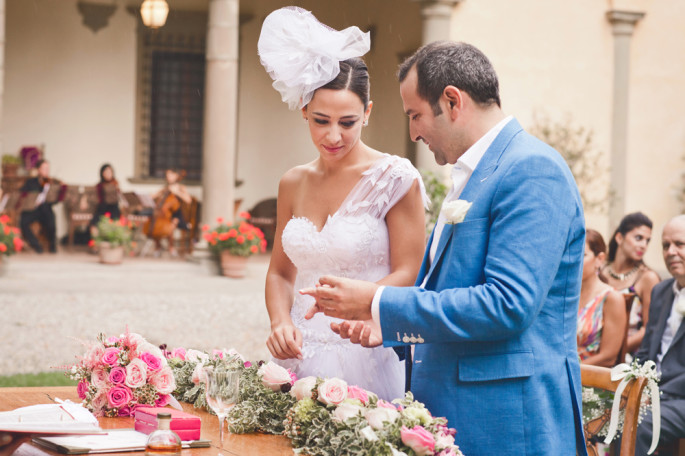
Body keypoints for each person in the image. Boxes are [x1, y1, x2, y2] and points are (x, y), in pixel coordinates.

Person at [301, 41, 588, 455]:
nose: (414, 132)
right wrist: (387, 328)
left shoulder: (532, 169)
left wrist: (380, 302)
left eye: (415, 115)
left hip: (508, 422)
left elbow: (508, 304)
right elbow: (447, 287)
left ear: (452, 101)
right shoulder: (475, 173)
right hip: (456, 415)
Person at [259, 7, 427, 401]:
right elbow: (280, 273)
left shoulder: (396, 179)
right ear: (304, 110)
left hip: (365, 346)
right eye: (321, 120)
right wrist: (280, 322)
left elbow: (411, 270)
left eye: (347, 122)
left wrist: (361, 298)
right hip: (299, 355)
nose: (333, 135)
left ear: (367, 113)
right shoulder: (293, 182)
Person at [634, 215, 685, 455]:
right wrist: (635, 385)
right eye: (666, 245)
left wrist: (658, 394)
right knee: (601, 410)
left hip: (680, 397)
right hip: (654, 392)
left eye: (679, 244)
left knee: (642, 423)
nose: (671, 252)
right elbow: (646, 352)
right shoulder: (661, 291)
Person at [601, 212, 661, 356]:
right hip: (592, 351)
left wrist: (614, 350)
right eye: (638, 238)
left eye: (647, 241)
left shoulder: (647, 278)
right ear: (619, 237)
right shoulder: (600, 271)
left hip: (626, 359)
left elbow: (649, 329)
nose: (643, 245)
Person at [577, 229, 626, 366]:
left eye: (583, 255)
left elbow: (608, 357)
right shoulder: (565, 295)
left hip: (590, 379)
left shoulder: (612, 298)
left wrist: (570, 373)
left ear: (599, 259)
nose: (575, 260)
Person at [17, 159, 63, 253]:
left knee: (51, 222)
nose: (47, 171)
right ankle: (36, 246)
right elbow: (22, 193)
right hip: (32, 209)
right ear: (39, 170)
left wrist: (56, 191)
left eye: (48, 169)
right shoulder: (31, 182)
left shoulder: (51, 182)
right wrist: (32, 198)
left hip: (45, 209)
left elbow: (56, 200)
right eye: (44, 168)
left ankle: (52, 246)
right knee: (23, 222)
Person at [89, 163, 123, 238]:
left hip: (114, 208)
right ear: (102, 174)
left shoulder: (115, 184)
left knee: (116, 221)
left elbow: (120, 198)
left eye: (110, 172)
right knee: (94, 223)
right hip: (102, 208)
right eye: (106, 172)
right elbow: (97, 199)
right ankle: (96, 243)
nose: (108, 174)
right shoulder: (99, 185)